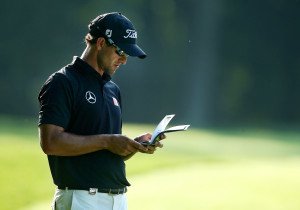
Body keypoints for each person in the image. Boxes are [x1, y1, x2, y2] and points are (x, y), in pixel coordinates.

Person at [38, 12, 164, 210]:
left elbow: (104, 153)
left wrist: (132, 145)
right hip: (81, 199)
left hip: (117, 200)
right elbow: (51, 142)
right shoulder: (62, 82)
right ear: (101, 43)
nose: (124, 60)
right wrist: (108, 141)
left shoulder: (112, 88)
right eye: (120, 51)